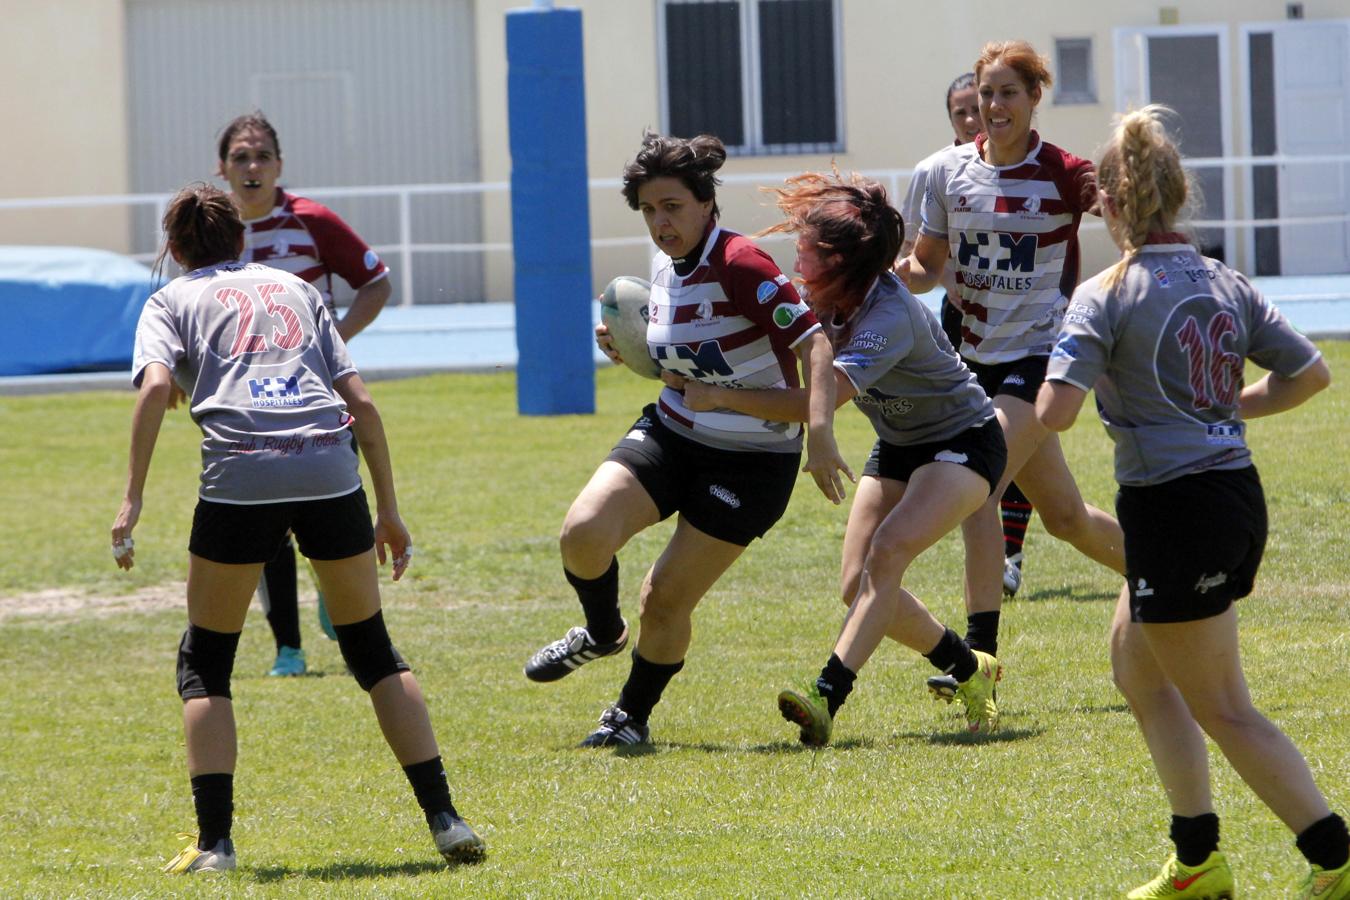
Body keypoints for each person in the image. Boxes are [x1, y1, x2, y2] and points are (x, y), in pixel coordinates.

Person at [111, 184, 484, 872]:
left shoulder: (168, 301)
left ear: (174, 249)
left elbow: (157, 389)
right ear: (240, 240)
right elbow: (362, 405)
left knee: (206, 662)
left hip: (241, 475)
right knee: (372, 650)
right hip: (329, 469)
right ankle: (446, 819)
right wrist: (389, 510)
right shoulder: (293, 288)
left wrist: (130, 501)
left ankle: (216, 845)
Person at [1038, 106, 1346, 900]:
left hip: (1177, 512)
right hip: (1229, 499)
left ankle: (1335, 855)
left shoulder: (1105, 294)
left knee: (1227, 709)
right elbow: (1309, 376)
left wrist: (995, 435)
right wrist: (1220, 408)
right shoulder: (1225, 280)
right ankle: (1199, 860)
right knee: (1137, 671)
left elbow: (1056, 414)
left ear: (1106, 203)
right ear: (1175, 197)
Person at [521, 131, 849, 747]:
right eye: (648, 210)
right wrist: (633, 352)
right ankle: (600, 632)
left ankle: (629, 717)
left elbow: (817, 343)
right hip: (674, 432)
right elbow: (687, 360)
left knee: (664, 599)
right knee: (583, 534)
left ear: (705, 203)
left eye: (672, 206)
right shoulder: (663, 267)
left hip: (752, 462)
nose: (659, 222)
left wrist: (822, 437)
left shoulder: (742, 263)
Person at [734, 171, 1005, 743]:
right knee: (855, 581)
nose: (798, 254)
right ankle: (969, 666)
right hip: (902, 444)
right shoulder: (821, 296)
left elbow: (822, 394)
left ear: (844, 262)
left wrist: (716, 397)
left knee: (887, 554)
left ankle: (827, 695)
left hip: (965, 438)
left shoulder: (888, 316)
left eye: (810, 247)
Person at [899, 41, 1126, 699]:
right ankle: (1169, 572)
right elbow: (925, 269)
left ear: (1033, 100)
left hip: (1040, 359)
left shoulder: (1063, 172)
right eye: (984, 95)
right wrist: (867, 276)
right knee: (1066, 519)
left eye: (1006, 95)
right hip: (971, 362)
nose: (992, 108)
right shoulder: (944, 174)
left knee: (979, 488)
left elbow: (1128, 215)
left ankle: (980, 662)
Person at [216, 112, 394, 677]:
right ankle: (287, 648)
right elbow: (191, 306)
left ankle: (333, 587)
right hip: (245, 399)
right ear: (223, 167)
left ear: (279, 165)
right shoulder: (214, 230)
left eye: (262, 155)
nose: (252, 166)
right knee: (263, 514)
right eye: (241, 156)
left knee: (324, 499)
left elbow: (376, 282)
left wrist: (332, 342)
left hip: (315, 393)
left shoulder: (311, 220)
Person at [900, 71, 1035, 599]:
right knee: (1060, 506)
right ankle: (1140, 561)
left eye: (979, 107)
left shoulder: (1030, 172)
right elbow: (916, 254)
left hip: (1025, 337)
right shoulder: (936, 172)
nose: (975, 118)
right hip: (965, 325)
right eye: (963, 111)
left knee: (991, 461)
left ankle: (1008, 558)